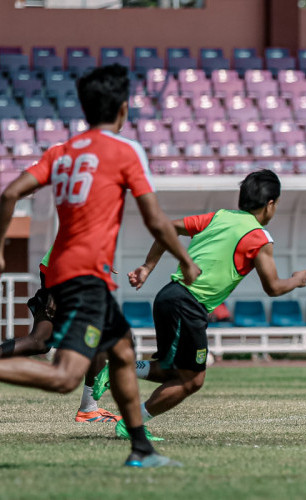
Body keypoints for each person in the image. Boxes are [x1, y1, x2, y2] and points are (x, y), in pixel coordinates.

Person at [0, 64, 201, 467]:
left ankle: (141, 450)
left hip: (63, 270)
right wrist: (184, 259)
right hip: (87, 276)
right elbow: (156, 220)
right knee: (65, 376)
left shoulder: (61, 152)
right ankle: (139, 448)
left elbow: (10, 192)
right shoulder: (125, 151)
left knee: (122, 353)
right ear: (124, 110)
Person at [101, 169, 306, 440]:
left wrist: (148, 267)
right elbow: (273, 287)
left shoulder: (218, 217)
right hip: (187, 304)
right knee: (192, 381)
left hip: (170, 297)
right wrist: (295, 280)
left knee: (173, 370)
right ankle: (131, 423)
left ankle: (119, 369)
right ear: (271, 204)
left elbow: (168, 227)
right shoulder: (259, 237)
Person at [0, 247, 120, 423]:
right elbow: (72, 241)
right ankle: (89, 410)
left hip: (62, 272)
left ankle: (89, 409)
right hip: (64, 273)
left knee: (39, 341)